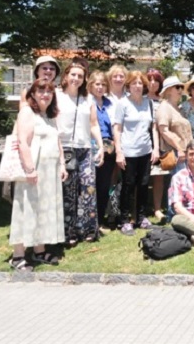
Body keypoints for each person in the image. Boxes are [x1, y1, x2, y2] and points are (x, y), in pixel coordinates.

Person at [9, 79, 67, 271]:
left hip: (50, 171)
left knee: (43, 210)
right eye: (41, 91)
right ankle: (17, 255)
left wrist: (62, 165)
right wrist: (30, 169)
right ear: (32, 94)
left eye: (49, 91)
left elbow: (57, 141)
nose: (45, 95)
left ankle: (39, 250)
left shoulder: (49, 115)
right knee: (26, 209)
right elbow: (23, 143)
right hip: (33, 170)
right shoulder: (27, 112)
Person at [57, 62, 103, 245]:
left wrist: (100, 146)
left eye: (80, 76)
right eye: (73, 75)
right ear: (66, 76)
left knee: (88, 188)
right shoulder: (57, 96)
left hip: (85, 148)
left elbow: (94, 124)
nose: (76, 78)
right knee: (69, 191)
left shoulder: (88, 99)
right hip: (66, 148)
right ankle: (69, 232)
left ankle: (88, 228)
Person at [113, 71, 160, 236]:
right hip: (128, 152)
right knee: (128, 185)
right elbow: (117, 128)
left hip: (145, 151)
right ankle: (124, 220)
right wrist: (119, 152)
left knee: (143, 184)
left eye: (140, 83)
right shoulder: (122, 103)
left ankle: (141, 217)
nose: (137, 86)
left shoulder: (149, 103)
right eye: (134, 83)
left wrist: (155, 149)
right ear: (128, 86)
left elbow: (153, 127)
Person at [155, 76, 193, 219]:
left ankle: (181, 212)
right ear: (169, 90)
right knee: (177, 184)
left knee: (183, 183)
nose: (180, 90)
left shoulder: (178, 108)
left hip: (183, 152)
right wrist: (179, 148)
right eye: (177, 87)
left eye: (181, 87)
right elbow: (164, 131)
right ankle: (174, 213)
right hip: (176, 152)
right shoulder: (164, 108)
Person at [88, 71, 116, 232]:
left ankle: (100, 220)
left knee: (104, 185)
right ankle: (89, 220)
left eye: (103, 84)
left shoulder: (109, 103)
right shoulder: (86, 101)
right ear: (91, 85)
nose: (100, 87)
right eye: (97, 84)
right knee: (90, 186)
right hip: (91, 147)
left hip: (109, 148)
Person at [145, 69, 168, 221]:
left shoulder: (164, 100)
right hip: (142, 139)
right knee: (142, 177)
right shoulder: (139, 98)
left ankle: (157, 208)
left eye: (156, 80)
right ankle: (139, 207)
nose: (153, 83)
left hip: (161, 141)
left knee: (159, 176)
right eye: (150, 80)